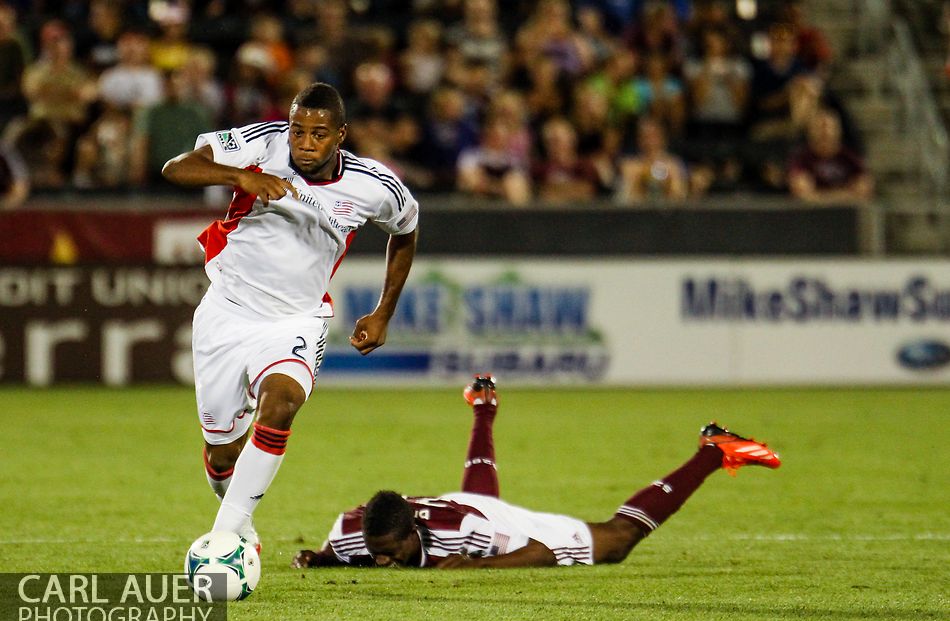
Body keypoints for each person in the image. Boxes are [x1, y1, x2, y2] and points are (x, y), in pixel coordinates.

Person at [161, 82, 419, 549]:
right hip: (227, 310)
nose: (303, 143)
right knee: (223, 455)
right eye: (298, 131)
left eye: (317, 134)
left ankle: (225, 538)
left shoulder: (373, 186)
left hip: (296, 321)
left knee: (280, 405)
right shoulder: (264, 142)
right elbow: (176, 168)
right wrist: (242, 177)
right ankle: (240, 524)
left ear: (341, 134)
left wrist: (384, 311)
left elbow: (406, 230)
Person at [292, 375, 780, 569]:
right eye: (377, 553)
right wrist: (316, 560)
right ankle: (483, 406)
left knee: (616, 542)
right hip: (468, 508)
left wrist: (477, 567)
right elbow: (336, 552)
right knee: (480, 500)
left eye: (391, 551)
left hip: (502, 527)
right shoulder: (353, 532)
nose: (382, 561)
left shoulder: (464, 532)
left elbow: (539, 551)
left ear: (413, 529)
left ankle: (713, 450)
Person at [788, 108, 873, 203]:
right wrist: (845, 194)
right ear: (810, 131)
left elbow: (863, 190)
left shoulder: (850, 156)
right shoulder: (801, 158)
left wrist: (818, 196)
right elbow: (801, 193)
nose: (825, 133)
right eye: (819, 128)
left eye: (829, 128)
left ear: (838, 131)